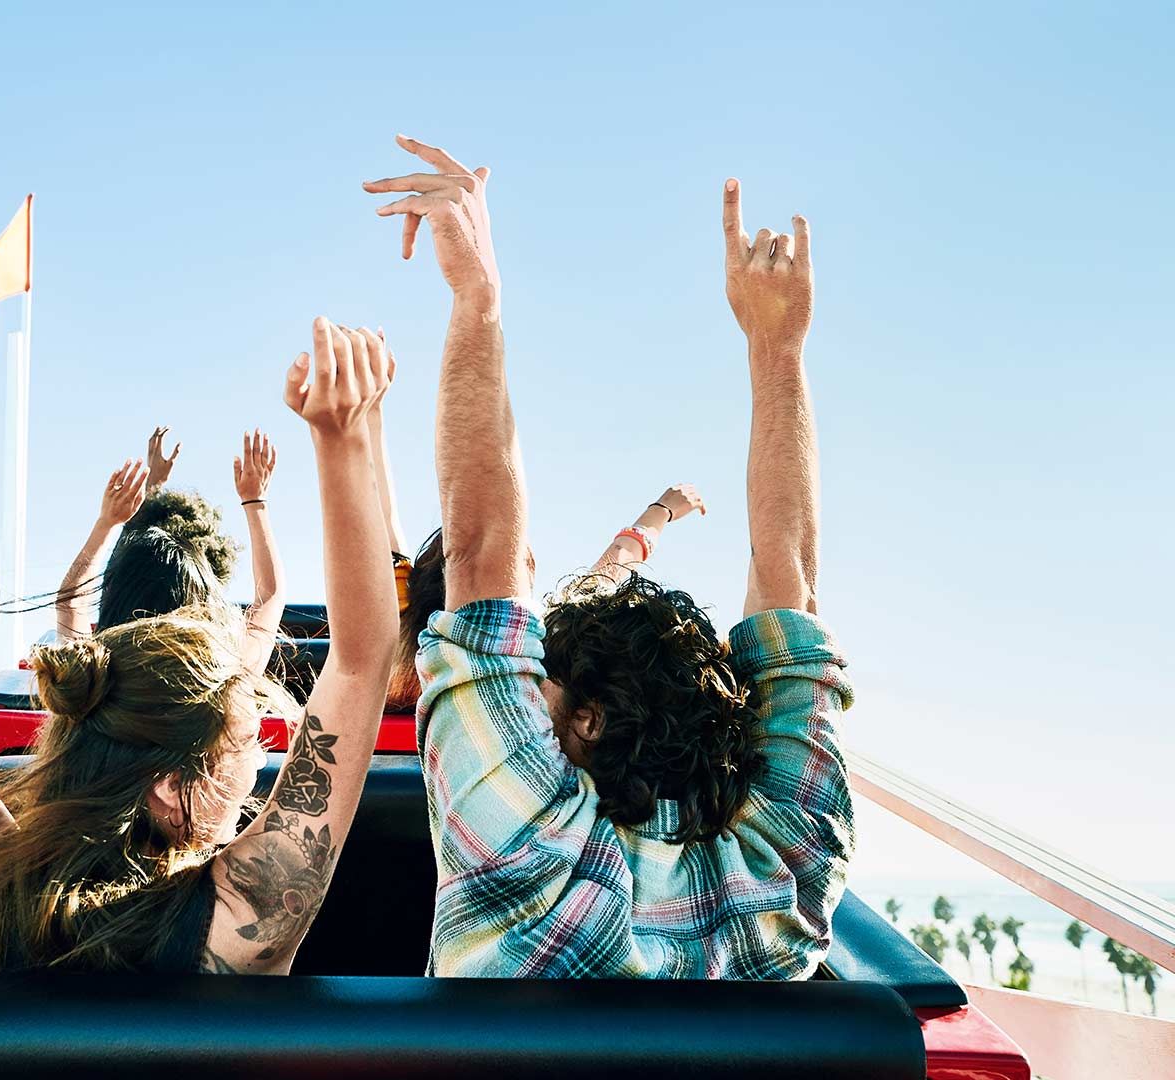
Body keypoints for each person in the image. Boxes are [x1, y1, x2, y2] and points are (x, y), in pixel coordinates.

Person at [366, 137, 852, 979]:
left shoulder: (521, 856)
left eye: (545, 670)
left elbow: (484, 557)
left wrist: (478, 296)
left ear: (586, 722)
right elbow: (793, 587)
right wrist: (780, 350)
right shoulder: (790, 873)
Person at [0, 246, 398, 973]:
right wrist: (344, 437)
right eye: (244, 746)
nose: (259, 763)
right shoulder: (237, 925)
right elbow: (362, 661)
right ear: (172, 787)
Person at [385, 484, 706, 712]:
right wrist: (661, 510)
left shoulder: (386, 657)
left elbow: (387, 543)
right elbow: (615, 566)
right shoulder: (540, 649)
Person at [54, 430, 287, 677]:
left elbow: (71, 604)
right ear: (203, 609)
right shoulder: (226, 680)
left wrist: (107, 523)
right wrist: (255, 501)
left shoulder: (90, 681)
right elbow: (270, 595)